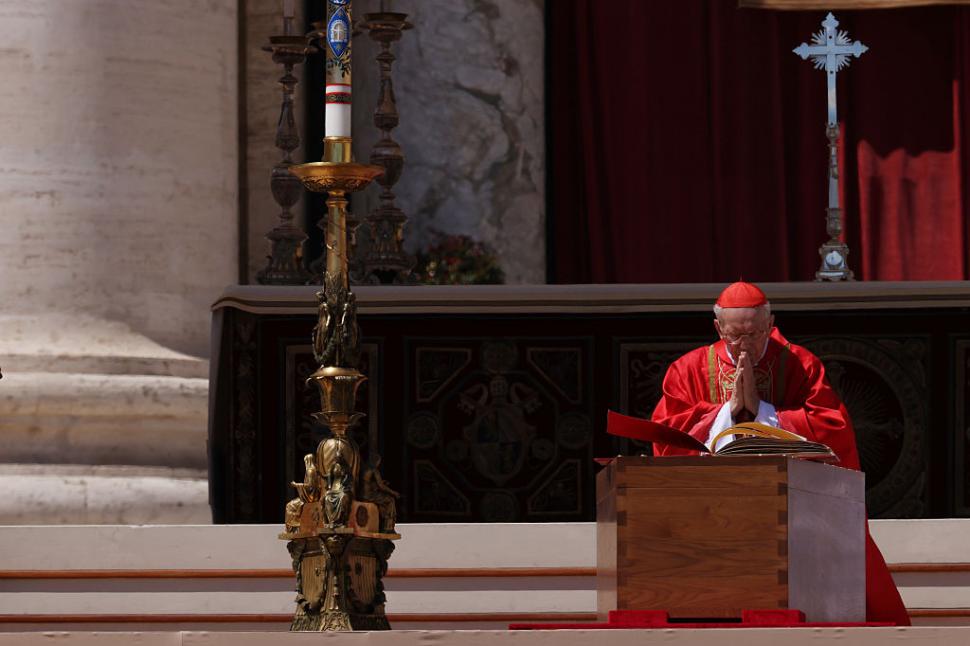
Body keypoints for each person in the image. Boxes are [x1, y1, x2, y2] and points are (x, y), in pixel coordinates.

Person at [651, 280, 910, 626]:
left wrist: (762, 411)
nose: (746, 345)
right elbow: (667, 436)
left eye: (756, 334)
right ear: (718, 328)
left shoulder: (800, 364)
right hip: (713, 508)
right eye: (735, 335)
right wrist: (725, 411)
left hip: (793, 511)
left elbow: (834, 430)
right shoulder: (688, 369)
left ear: (771, 324)